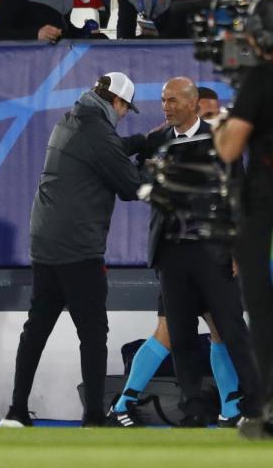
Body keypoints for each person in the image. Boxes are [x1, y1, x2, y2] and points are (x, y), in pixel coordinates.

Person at [113, 78, 261, 428]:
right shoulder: (157, 141)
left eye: (173, 100)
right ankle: (193, 407)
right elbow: (123, 169)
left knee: (232, 330)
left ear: (193, 103)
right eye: (164, 100)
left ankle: (252, 406)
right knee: (179, 336)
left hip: (213, 251)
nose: (166, 106)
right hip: (172, 255)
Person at [1, 73, 145, 428]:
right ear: (117, 103)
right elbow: (130, 186)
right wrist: (157, 167)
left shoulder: (73, 118)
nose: (125, 115)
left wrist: (141, 141)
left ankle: (17, 410)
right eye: (126, 109)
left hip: (45, 244)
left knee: (36, 328)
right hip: (79, 248)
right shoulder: (97, 129)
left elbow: (105, 150)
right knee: (94, 334)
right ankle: (94, 416)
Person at [214, 0, 273, 440]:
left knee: (261, 306)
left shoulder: (259, 78)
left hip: (263, 201)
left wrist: (221, 118)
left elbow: (230, 149)